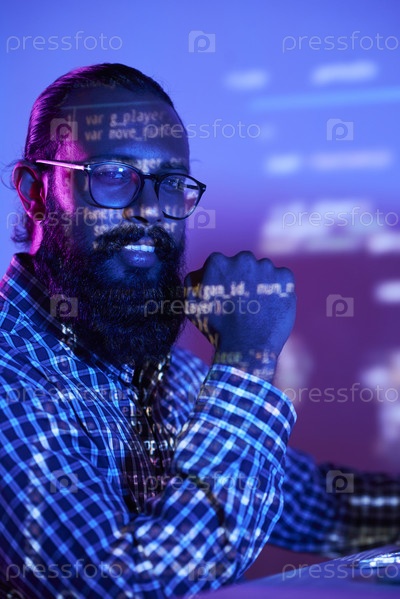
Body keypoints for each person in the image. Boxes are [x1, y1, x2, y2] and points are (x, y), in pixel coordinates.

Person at [0, 63, 297, 598]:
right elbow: (124, 586)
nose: (149, 212)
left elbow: (314, 505)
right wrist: (247, 361)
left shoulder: (166, 371)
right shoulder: (10, 382)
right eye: (112, 175)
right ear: (35, 191)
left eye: (171, 184)